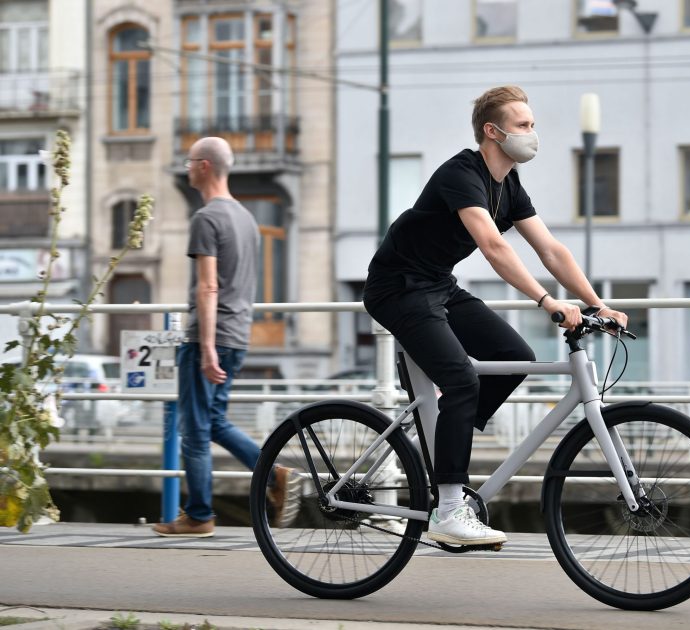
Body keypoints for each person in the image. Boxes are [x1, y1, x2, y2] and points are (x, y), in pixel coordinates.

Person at [363, 85, 628, 546]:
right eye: (524, 125)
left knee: (514, 355)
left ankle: (444, 443)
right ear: (493, 131)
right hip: (397, 287)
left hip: (438, 284)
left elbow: (551, 249)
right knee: (464, 381)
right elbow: (493, 246)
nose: (533, 134)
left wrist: (595, 302)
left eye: (532, 124)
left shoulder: (509, 185)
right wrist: (547, 302)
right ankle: (448, 508)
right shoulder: (461, 173)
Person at [153, 137, 298, 537]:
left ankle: (199, 515)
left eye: (189, 162)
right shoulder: (246, 218)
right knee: (213, 419)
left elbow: (208, 287)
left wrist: (205, 347)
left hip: (211, 334)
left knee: (195, 429)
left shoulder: (206, 218)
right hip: (238, 332)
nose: (185, 168)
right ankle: (274, 472)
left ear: (203, 166)